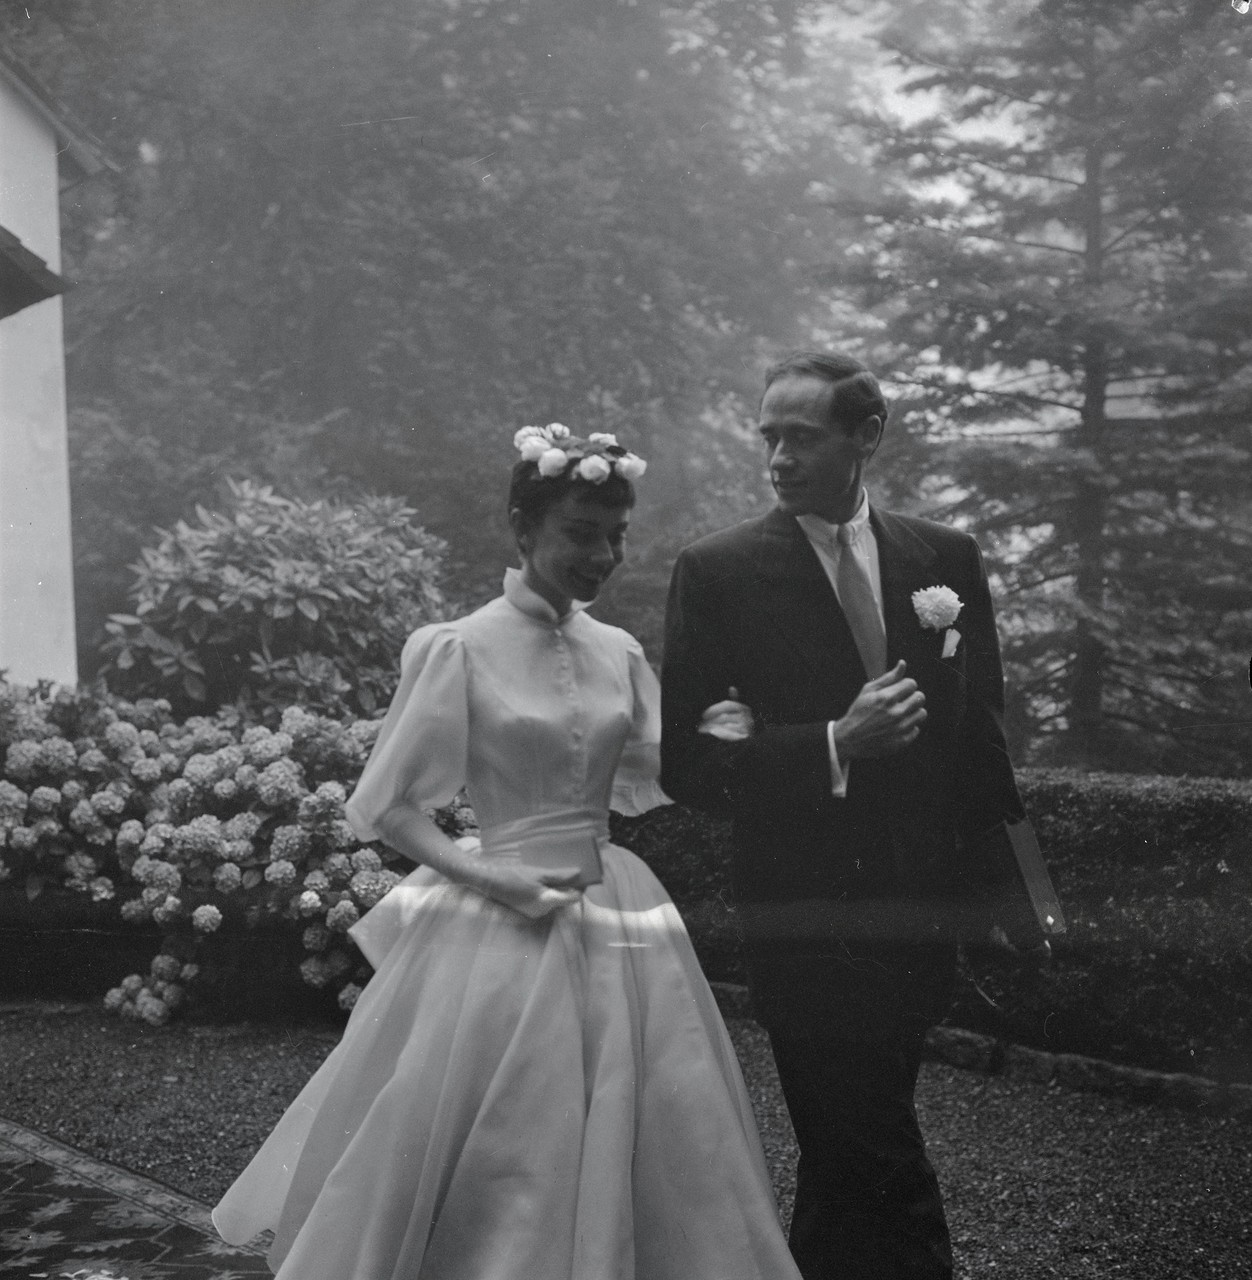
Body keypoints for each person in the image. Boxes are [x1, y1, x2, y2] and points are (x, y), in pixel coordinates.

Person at [212, 425, 803, 1280]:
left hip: (616, 904)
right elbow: (388, 809)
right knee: (505, 1127)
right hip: (497, 916)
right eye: (580, 534)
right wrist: (493, 876)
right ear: (523, 531)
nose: (602, 555)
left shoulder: (619, 652)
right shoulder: (457, 646)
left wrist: (716, 733)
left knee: (655, 1122)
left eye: (615, 535)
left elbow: (651, 773)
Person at [660, 351, 1028, 1280]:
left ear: (866, 437)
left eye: (802, 436)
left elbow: (980, 736)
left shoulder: (943, 558)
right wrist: (832, 742)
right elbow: (692, 764)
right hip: (803, 917)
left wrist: (1020, 889)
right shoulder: (718, 572)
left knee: (844, 1152)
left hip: (918, 913)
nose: (778, 458)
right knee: (874, 1144)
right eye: (768, 437)